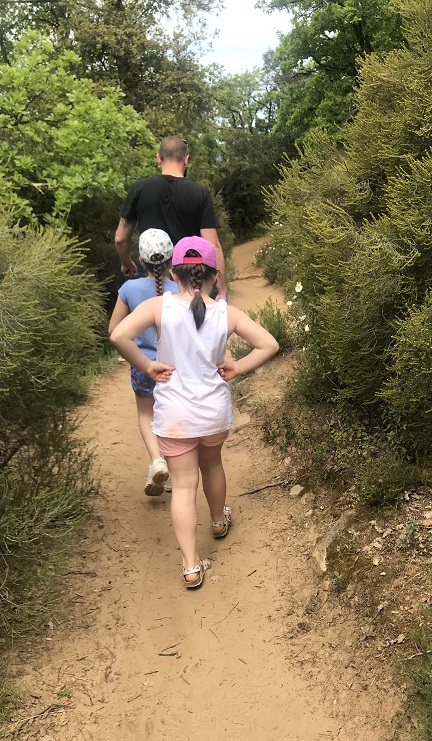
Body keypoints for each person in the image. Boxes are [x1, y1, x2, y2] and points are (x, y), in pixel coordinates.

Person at [110, 236, 279, 589]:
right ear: (214, 276)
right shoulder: (226, 312)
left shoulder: (159, 306)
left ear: (175, 273)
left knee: (184, 485)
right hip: (213, 412)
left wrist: (148, 365)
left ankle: (190, 566)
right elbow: (269, 344)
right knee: (213, 464)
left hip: (175, 416)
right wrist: (237, 368)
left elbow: (119, 336)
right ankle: (218, 522)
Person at [108, 228, 178, 497]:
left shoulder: (129, 289)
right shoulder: (180, 291)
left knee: (146, 415)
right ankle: (172, 465)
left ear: (139, 258)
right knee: (171, 415)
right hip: (174, 368)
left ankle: (157, 460)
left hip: (142, 366)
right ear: (172, 260)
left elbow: (114, 329)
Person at [115, 135, 227, 299]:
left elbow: (120, 238)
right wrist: (222, 290)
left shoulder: (138, 189)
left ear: (159, 159)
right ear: (186, 160)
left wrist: (127, 263)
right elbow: (213, 245)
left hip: (151, 281)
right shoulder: (200, 193)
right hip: (188, 284)